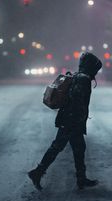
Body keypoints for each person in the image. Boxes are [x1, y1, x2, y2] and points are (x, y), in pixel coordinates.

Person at [28, 52, 102, 190]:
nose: (96, 72)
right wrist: (77, 121)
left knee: (78, 148)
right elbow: (77, 101)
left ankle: (81, 179)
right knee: (57, 147)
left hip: (70, 120)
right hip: (71, 121)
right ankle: (37, 172)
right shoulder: (83, 79)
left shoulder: (78, 76)